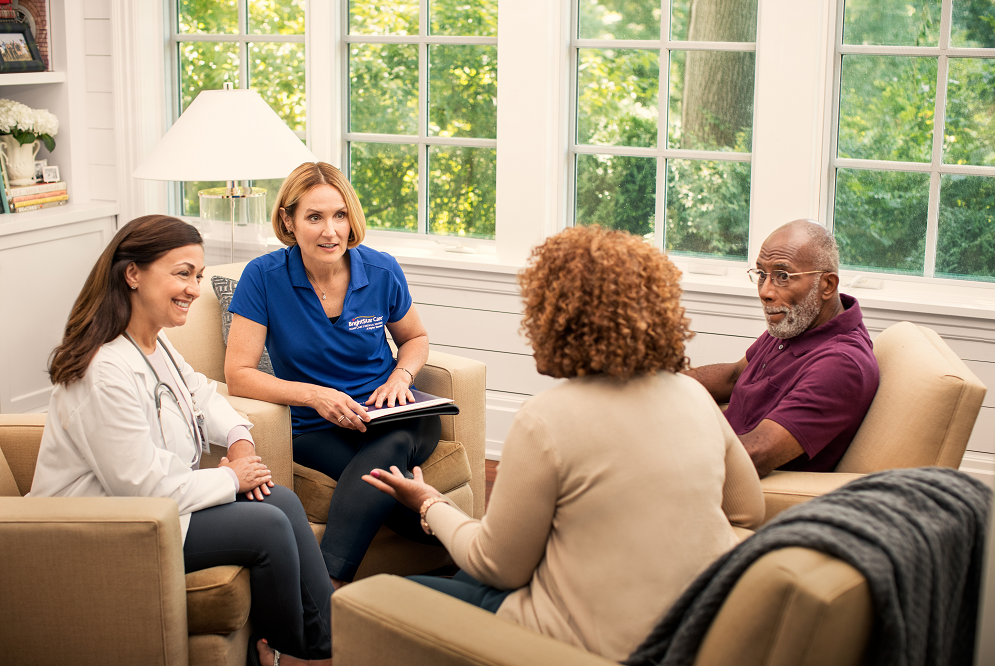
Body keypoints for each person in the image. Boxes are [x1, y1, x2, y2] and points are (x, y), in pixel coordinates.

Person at [351, 225, 765, 664]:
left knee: (376, 601)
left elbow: (496, 566)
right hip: (695, 627)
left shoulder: (546, 420)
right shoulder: (693, 395)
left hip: (589, 644)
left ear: (554, 316)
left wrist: (430, 504)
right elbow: (747, 511)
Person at [29, 215, 333, 665]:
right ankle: (305, 651)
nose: (194, 288)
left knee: (283, 502)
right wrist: (230, 478)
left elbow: (201, 394)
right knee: (267, 527)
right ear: (132, 273)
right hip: (106, 526)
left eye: (199, 276)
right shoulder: (103, 370)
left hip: (159, 507)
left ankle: (321, 640)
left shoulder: (154, 343)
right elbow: (141, 488)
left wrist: (238, 438)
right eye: (182, 273)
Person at [225, 162, 440, 589]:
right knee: (382, 478)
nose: (330, 231)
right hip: (316, 426)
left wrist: (401, 377)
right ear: (288, 220)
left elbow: (414, 337)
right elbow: (239, 376)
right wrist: (315, 396)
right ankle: (473, 547)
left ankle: (322, 588)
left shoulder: (380, 269)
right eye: (315, 217)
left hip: (396, 415)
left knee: (394, 440)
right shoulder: (263, 278)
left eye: (340, 215)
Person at [685, 219, 880, 477]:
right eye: (761, 275)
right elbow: (734, 376)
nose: (765, 291)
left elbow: (754, 455)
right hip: (713, 438)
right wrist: (656, 381)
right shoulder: (799, 322)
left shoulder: (840, 364)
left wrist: (662, 448)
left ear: (827, 285)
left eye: (783, 276)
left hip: (733, 483)